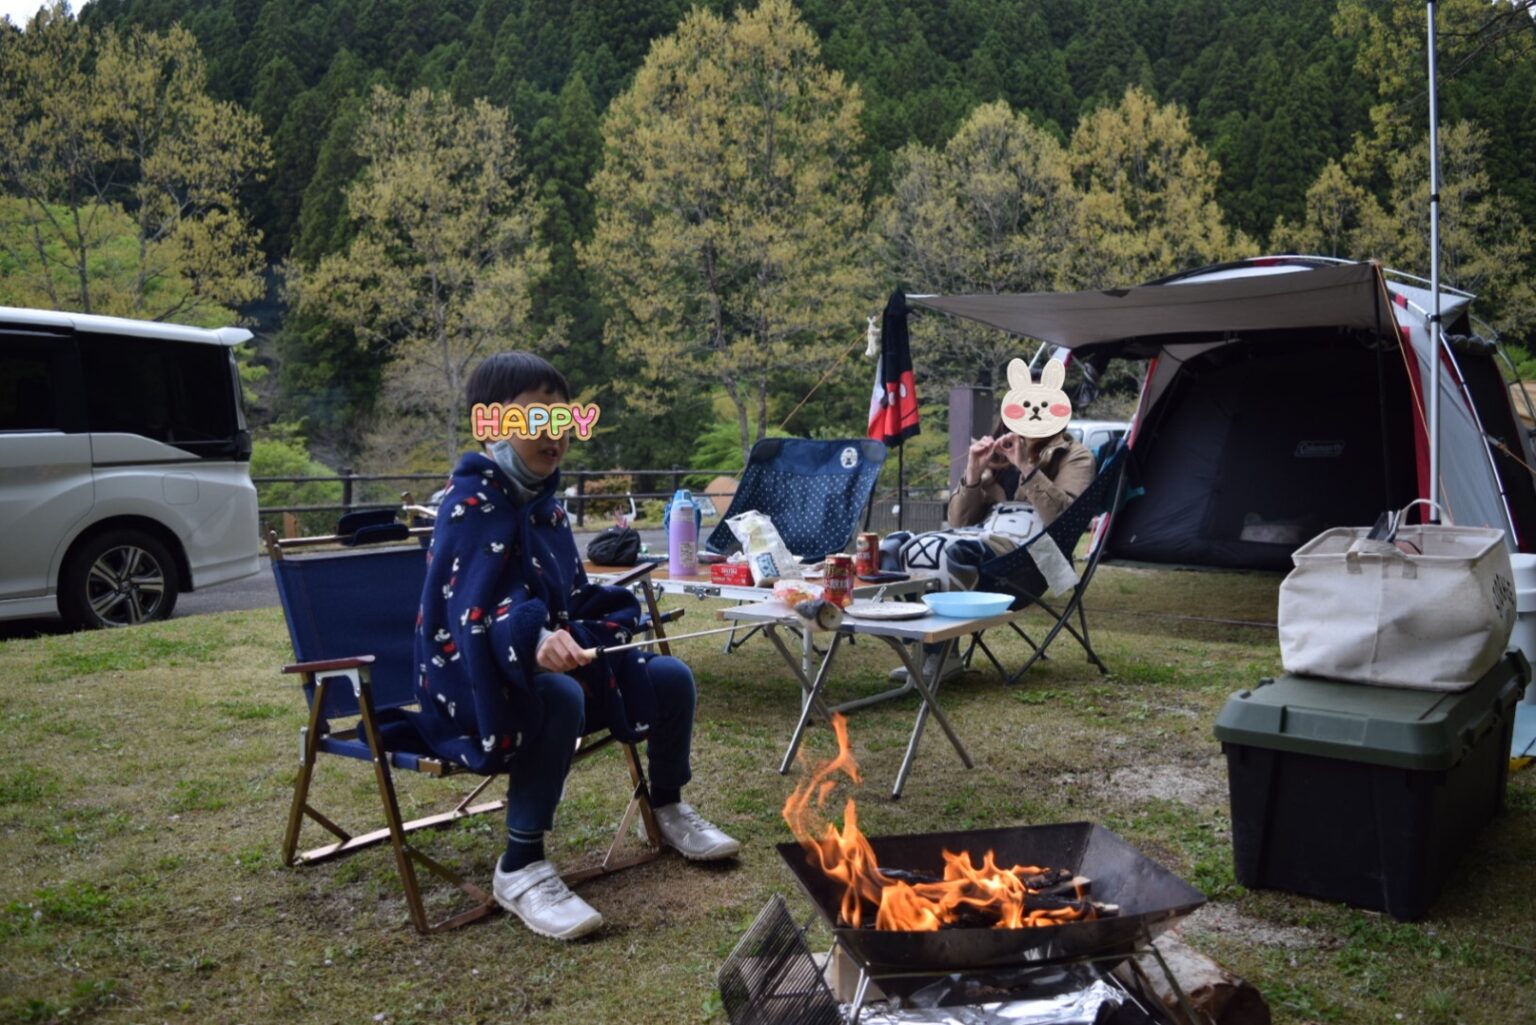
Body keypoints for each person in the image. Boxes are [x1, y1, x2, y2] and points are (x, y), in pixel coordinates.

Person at [415, 351, 739, 941]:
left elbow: (571, 596)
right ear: (491, 425)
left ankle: (667, 808)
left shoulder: (548, 511)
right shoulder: (466, 507)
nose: (554, 434)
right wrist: (533, 639)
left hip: (543, 676)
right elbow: (468, 615)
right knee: (559, 695)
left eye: (562, 419)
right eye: (535, 418)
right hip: (473, 687)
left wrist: (606, 622)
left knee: (670, 677)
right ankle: (520, 864)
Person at [886, 358, 1097, 682]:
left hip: (1029, 559)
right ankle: (924, 647)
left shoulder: (1075, 455)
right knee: (899, 544)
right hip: (983, 538)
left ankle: (937, 655)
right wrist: (973, 474)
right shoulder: (998, 453)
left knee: (948, 552)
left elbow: (1064, 520)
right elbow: (957, 522)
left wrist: (1028, 467)